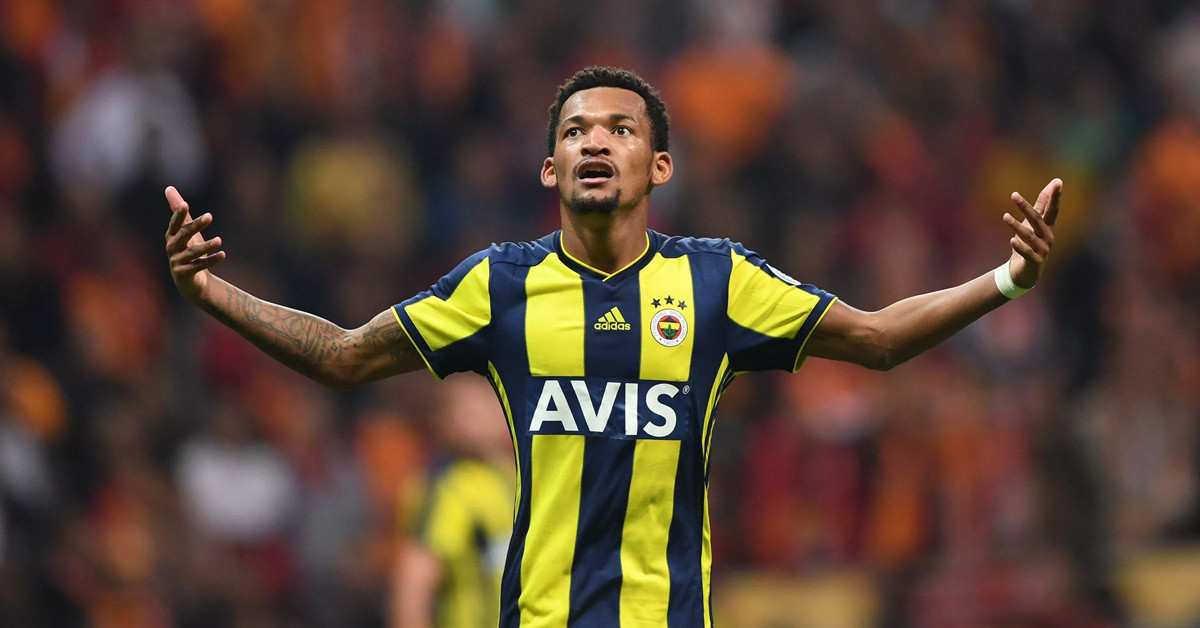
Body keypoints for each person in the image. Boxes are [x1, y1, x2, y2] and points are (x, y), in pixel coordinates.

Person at [164, 66, 1061, 627]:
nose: (596, 140)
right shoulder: (500, 285)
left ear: (659, 166)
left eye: (620, 129)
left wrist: (1009, 279)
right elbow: (343, 354)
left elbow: (876, 338)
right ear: (550, 168)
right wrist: (210, 294)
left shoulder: (716, 281)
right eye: (575, 131)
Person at [391, 374, 516, 628]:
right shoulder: (443, 487)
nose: (477, 418)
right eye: (465, 410)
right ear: (444, 421)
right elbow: (413, 586)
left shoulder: (511, 475)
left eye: (483, 405)